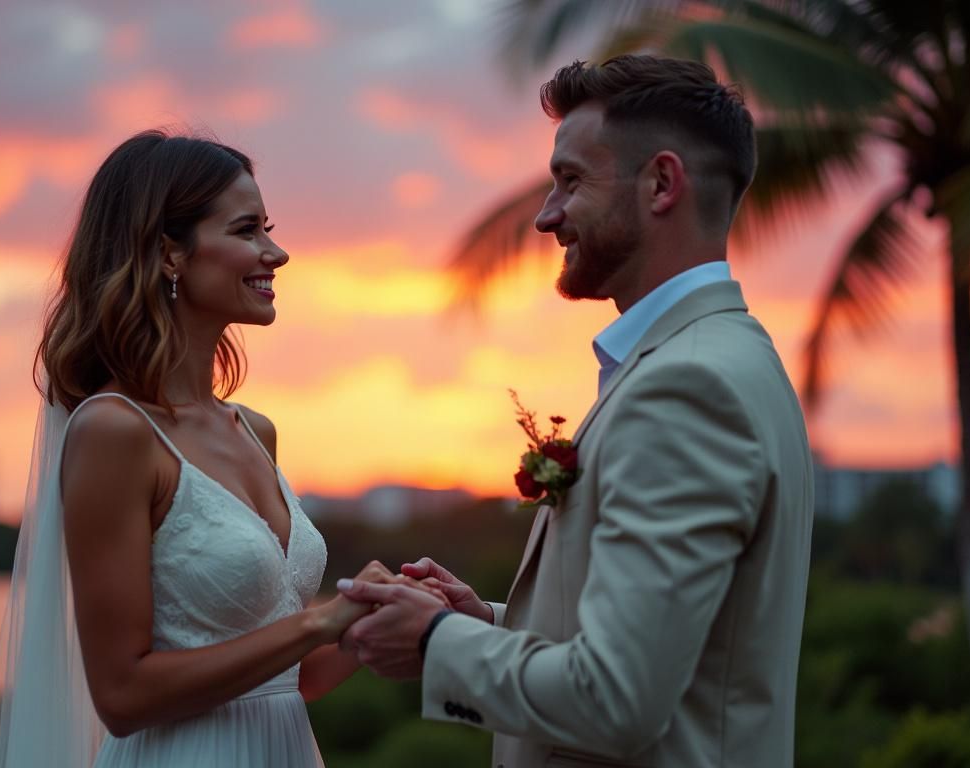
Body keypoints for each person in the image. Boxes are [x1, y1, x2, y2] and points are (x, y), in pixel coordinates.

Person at [337, 55, 815, 767]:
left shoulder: (686, 389)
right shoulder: (730, 355)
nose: (545, 216)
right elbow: (674, 655)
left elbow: (617, 699)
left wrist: (437, 642)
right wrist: (485, 624)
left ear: (661, 184)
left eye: (570, 182)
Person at [0, 130, 443, 768]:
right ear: (170, 253)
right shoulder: (114, 431)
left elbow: (293, 680)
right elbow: (121, 694)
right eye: (247, 230)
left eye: (268, 229)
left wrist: (373, 618)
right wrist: (320, 620)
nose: (275, 253)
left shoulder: (256, 430)